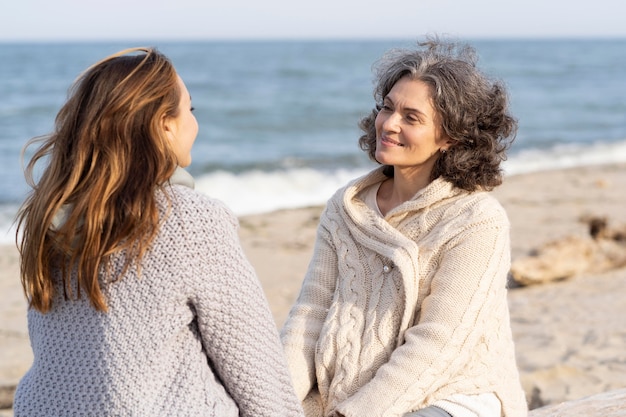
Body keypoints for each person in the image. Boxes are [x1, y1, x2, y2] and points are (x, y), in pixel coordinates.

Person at [13, 47, 304, 417]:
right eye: (190, 110)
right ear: (164, 124)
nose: (194, 124)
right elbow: (260, 378)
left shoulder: (48, 219)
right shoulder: (189, 219)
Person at [280, 37, 528, 417]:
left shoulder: (476, 220)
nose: (389, 124)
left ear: (450, 137)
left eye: (411, 117)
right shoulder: (346, 207)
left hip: (449, 396)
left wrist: (354, 414)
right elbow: (310, 313)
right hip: (340, 390)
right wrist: (269, 398)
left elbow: (439, 345)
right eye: (387, 108)